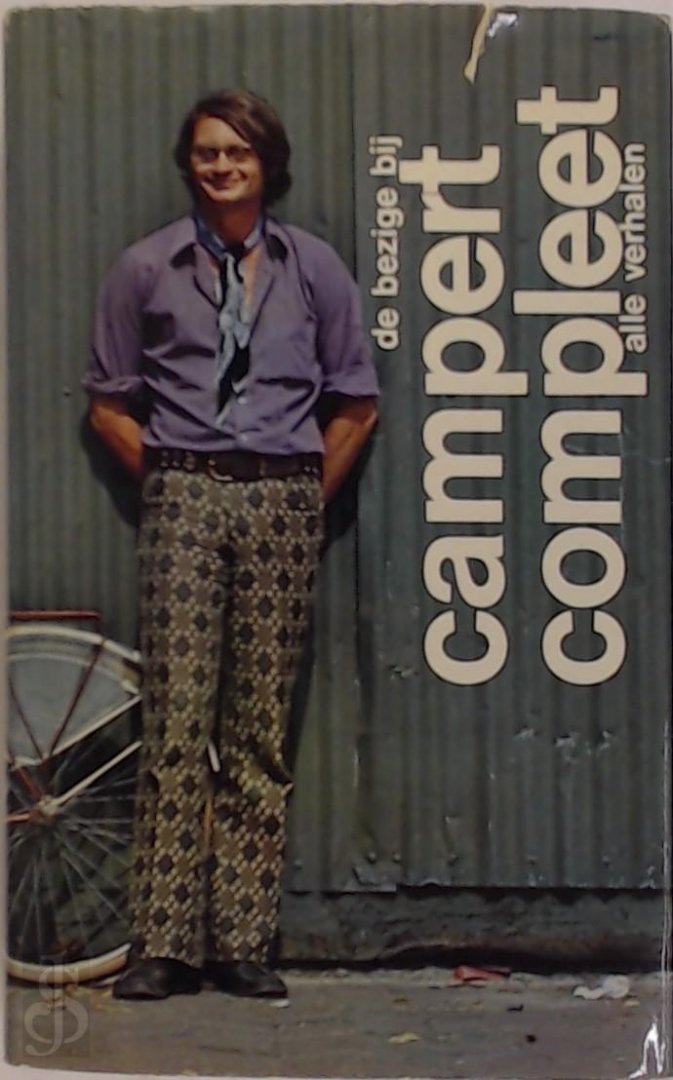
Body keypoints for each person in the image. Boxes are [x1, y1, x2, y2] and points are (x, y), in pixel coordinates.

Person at [84, 89, 378, 1001]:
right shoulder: (146, 267)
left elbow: (356, 403)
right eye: (207, 152)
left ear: (266, 164)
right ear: (190, 163)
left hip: (282, 499)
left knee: (254, 731)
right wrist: (175, 481)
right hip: (184, 496)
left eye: (238, 152)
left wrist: (298, 498)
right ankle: (162, 945)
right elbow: (108, 402)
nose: (221, 166)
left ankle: (242, 941)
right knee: (176, 725)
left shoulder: (313, 268)